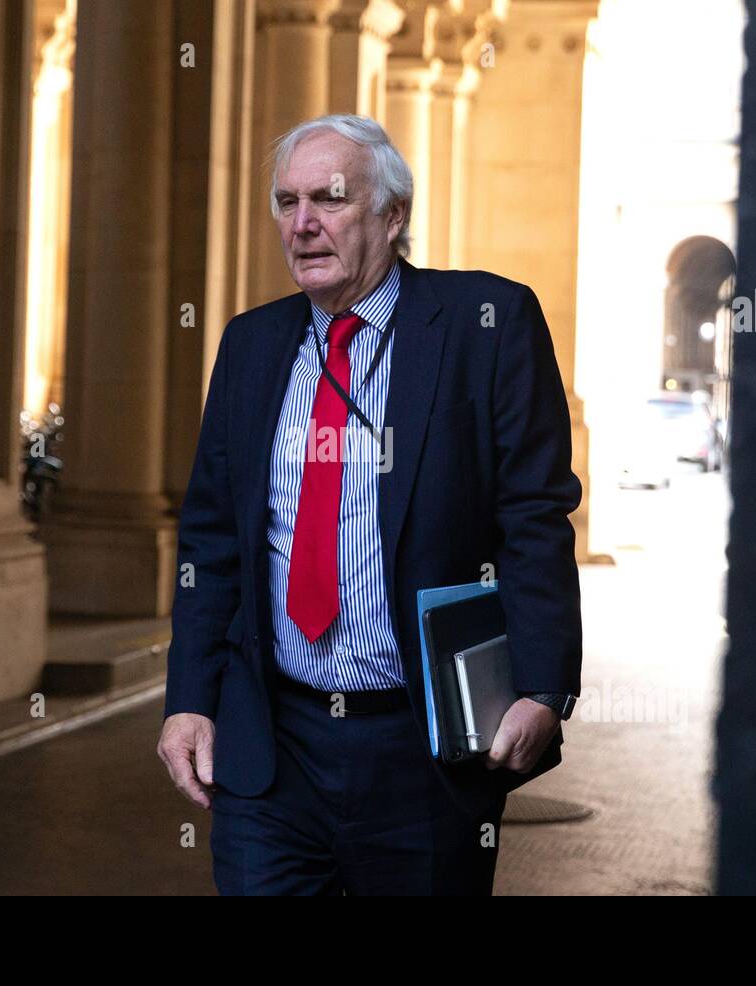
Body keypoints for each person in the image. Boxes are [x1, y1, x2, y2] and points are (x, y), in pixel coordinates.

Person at [156, 114, 582, 895]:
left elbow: (533, 517)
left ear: (392, 215)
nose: (303, 223)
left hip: (419, 751)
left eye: (330, 198)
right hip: (272, 749)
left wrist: (545, 689)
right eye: (287, 202)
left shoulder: (484, 326)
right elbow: (212, 540)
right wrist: (189, 701)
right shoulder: (250, 345)